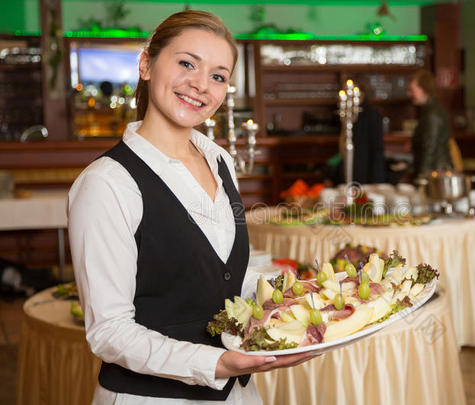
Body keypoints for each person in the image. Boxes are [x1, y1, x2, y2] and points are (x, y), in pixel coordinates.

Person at [68, 11, 312, 404]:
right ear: (146, 64)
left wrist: (289, 295)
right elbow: (109, 332)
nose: (201, 85)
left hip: (239, 394)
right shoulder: (107, 184)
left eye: (218, 75)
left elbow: (219, 271)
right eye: (186, 64)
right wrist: (217, 363)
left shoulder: (220, 161)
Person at [407, 69, 453, 179]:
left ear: (424, 90)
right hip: (436, 170)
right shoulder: (430, 110)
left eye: (412, 90)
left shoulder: (432, 114)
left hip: (435, 173)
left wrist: (421, 178)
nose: (409, 94)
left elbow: (429, 149)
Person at [351, 85, 385, 184]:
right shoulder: (347, 113)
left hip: (366, 172)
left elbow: (377, 149)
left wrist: (377, 179)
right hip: (352, 168)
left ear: (362, 94)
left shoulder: (372, 115)